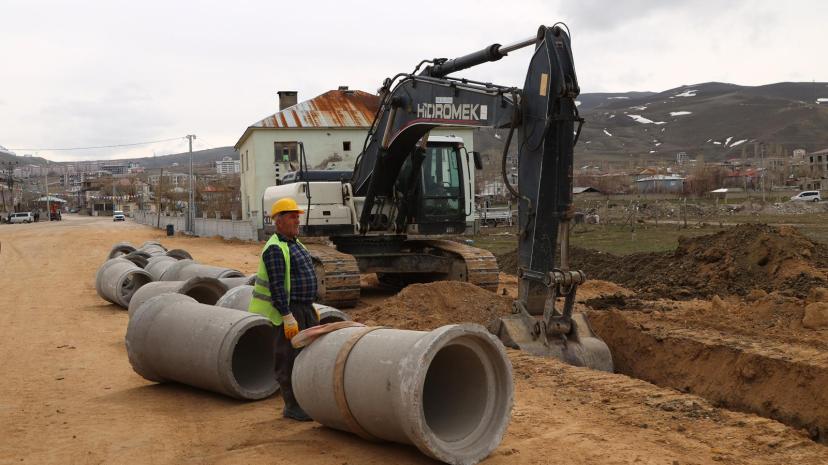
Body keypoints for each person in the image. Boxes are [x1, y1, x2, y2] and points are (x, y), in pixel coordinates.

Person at [248, 197, 319, 421]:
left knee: (309, 355)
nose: (297, 220)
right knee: (288, 358)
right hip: (289, 312)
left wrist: (312, 306)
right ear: (278, 221)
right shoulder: (275, 249)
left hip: (304, 308)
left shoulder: (295, 243)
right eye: (291, 216)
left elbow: (302, 277)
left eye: (297, 216)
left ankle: (308, 400)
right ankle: (292, 405)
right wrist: (287, 316)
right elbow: (278, 286)